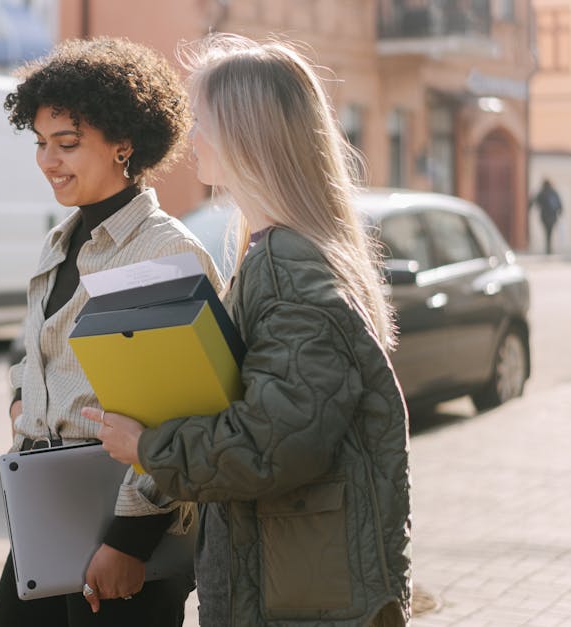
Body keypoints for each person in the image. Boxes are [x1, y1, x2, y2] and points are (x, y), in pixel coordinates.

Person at [86, 35, 413, 626]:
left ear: (245, 133)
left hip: (305, 598)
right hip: (292, 583)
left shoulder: (291, 266)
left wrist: (147, 447)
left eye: (202, 120)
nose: (192, 139)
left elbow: (276, 442)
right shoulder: (277, 252)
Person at [0, 37, 222, 627]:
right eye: (41, 143)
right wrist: (23, 401)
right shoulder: (59, 239)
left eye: (67, 144)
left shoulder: (163, 248)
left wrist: (130, 540)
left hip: (123, 529)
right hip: (46, 511)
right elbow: (38, 349)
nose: (48, 160)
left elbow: (183, 411)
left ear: (124, 145)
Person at [534, 178, 563, 255]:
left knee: (547, 232)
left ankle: (548, 246)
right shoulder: (553, 192)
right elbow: (559, 203)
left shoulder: (542, 192)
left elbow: (537, 202)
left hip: (544, 216)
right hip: (552, 216)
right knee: (550, 231)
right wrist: (560, 211)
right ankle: (549, 247)